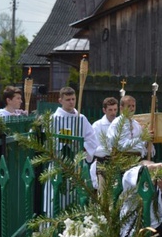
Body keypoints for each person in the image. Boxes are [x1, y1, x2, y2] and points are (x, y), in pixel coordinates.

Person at [44, 86, 97, 216]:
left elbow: (92, 140)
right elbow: (48, 141)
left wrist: (79, 144)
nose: (71, 102)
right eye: (68, 99)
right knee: (56, 196)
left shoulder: (81, 118)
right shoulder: (53, 119)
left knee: (75, 196)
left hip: (76, 164)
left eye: (73, 99)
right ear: (60, 100)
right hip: (59, 162)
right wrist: (62, 142)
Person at [106, 95, 153, 159]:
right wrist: (143, 140)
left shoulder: (136, 124)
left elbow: (145, 149)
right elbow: (121, 146)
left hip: (137, 159)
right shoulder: (117, 123)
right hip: (121, 160)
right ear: (121, 108)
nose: (132, 108)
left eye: (133, 106)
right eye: (128, 106)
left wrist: (147, 141)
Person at [90, 97, 119, 189]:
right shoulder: (97, 126)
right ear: (104, 110)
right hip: (102, 164)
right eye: (110, 110)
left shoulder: (121, 124)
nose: (113, 113)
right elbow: (94, 149)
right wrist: (111, 151)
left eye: (115, 109)